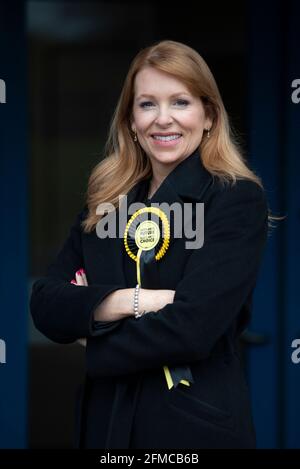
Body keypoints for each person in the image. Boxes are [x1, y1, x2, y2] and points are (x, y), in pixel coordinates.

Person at [30, 39, 270, 449]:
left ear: (208, 115)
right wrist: (134, 301)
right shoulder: (108, 200)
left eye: (180, 102)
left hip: (191, 429)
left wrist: (92, 327)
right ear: (131, 120)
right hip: (105, 425)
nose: (163, 119)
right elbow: (47, 304)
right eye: (147, 104)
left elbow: (192, 331)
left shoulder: (234, 199)